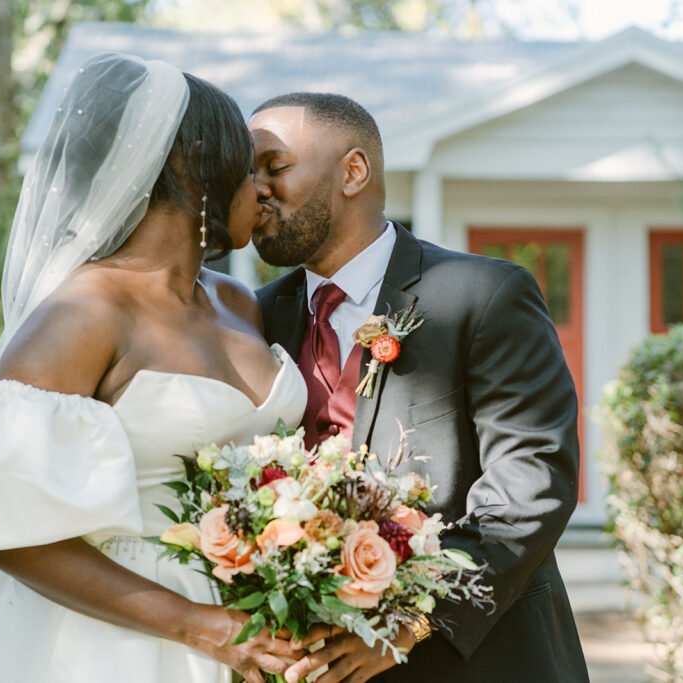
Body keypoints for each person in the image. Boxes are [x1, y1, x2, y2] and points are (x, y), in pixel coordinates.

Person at [0, 53, 307, 683]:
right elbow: (7, 531)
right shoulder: (84, 313)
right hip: (114, 643)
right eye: (247, 164)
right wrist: (195, 623)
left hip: (251, 630)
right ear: (189, 167)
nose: (262, 188)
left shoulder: (238, 304)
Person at [250, 93, 589, 683]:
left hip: (474, 661)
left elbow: (532, 477)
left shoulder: (483, 296)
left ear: (353, 172)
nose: (255, 188)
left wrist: (413, 621)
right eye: (248, 173)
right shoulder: (253, 318)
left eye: (274, 167)